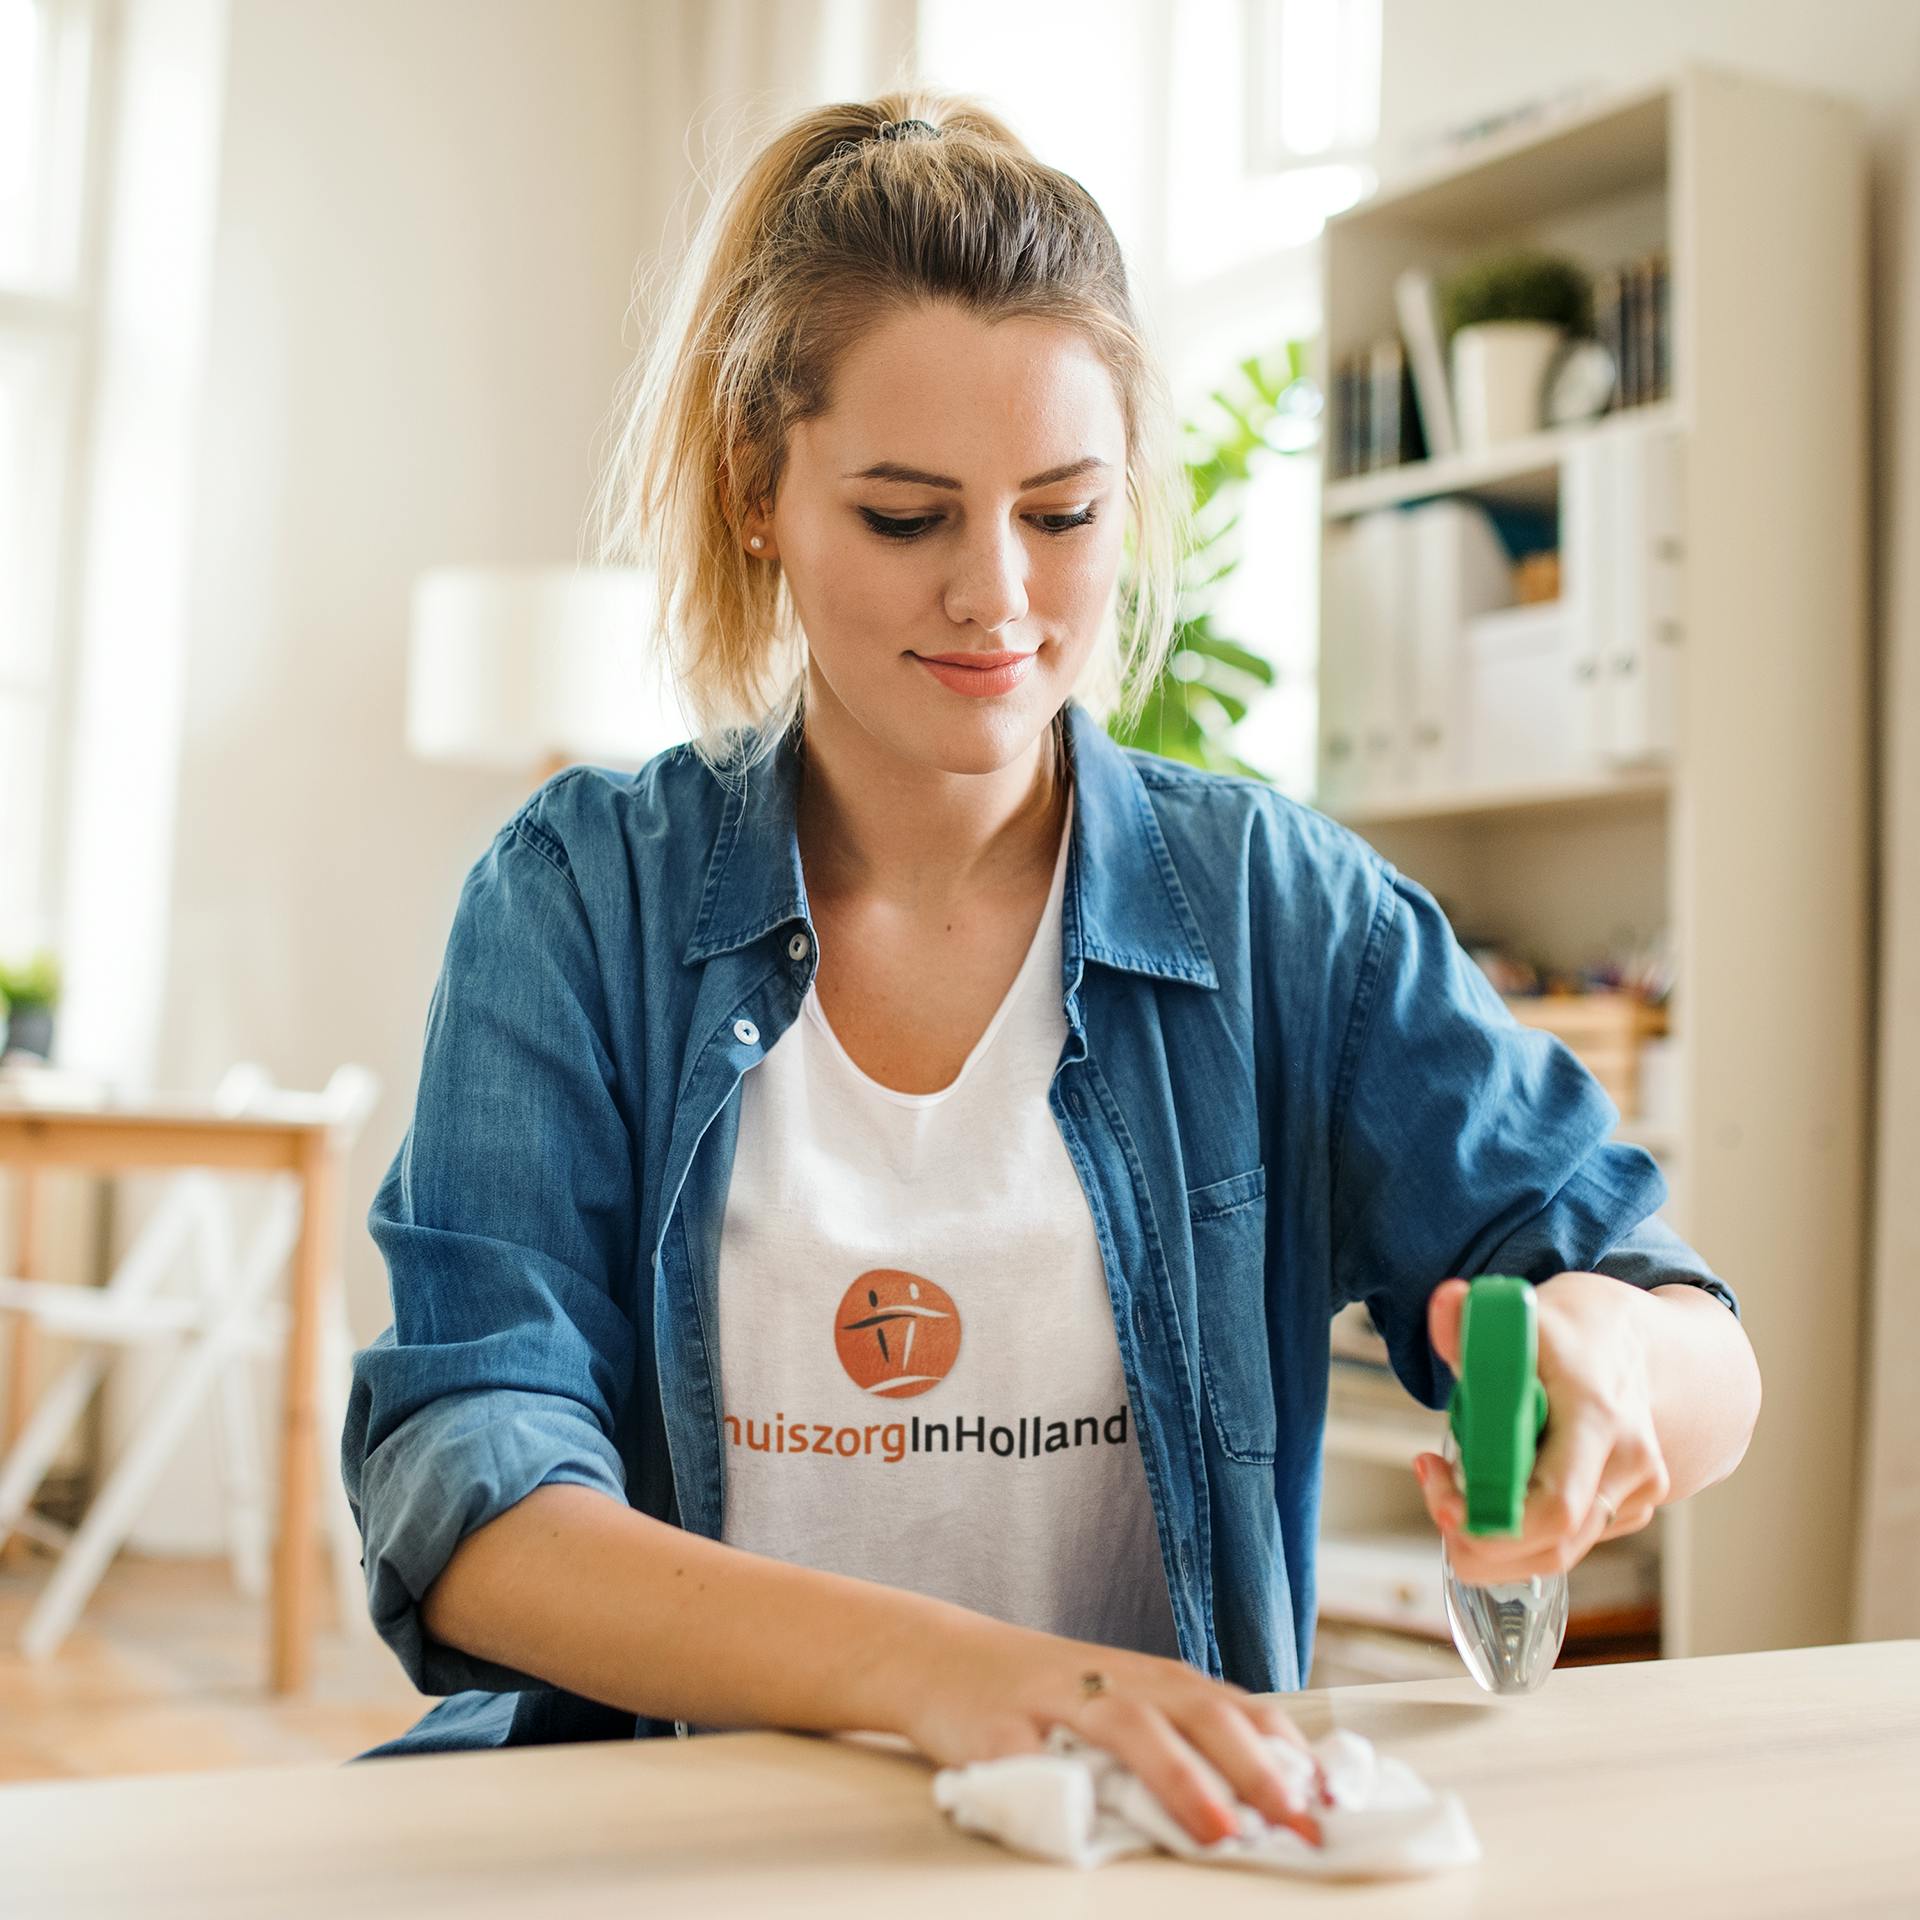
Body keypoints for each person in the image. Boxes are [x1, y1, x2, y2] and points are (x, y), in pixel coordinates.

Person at [341, 89, 1762, 1851]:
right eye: (906, 515)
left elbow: (1689, 1329)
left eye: (1066, 513)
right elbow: (468, 1492)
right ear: (759, 493)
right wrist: (954, 1674)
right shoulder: (575, 905)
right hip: (676, 1846)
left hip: (1144, 1857)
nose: (997, 596)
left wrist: (1616, 1366)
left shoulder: (1280, 913)